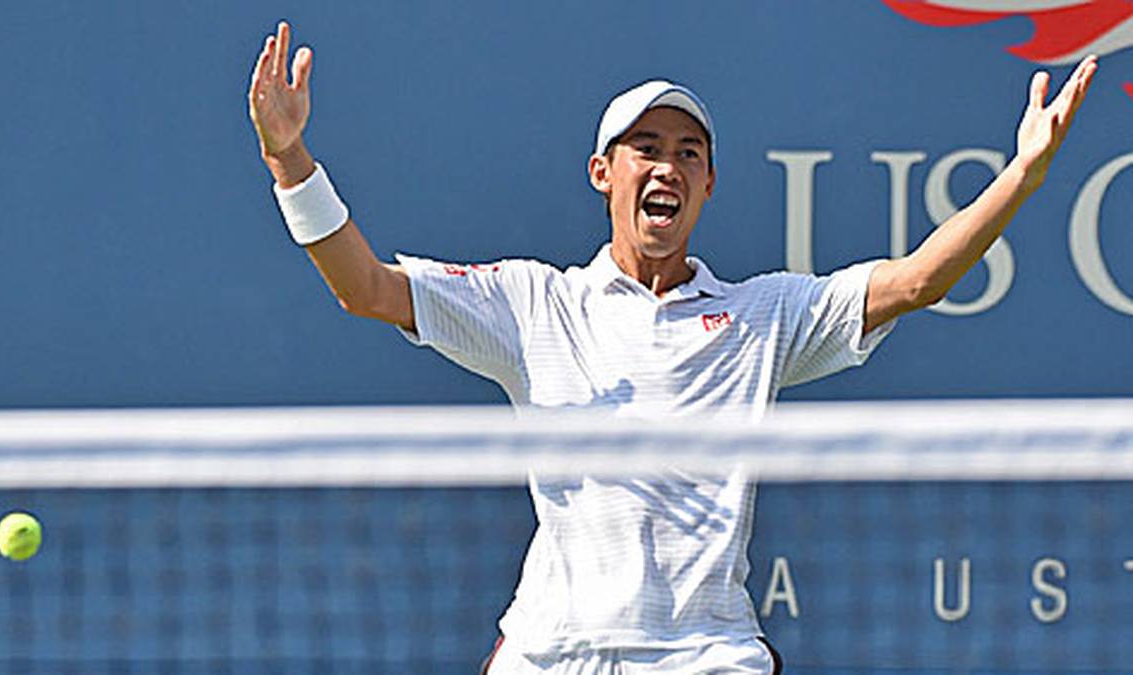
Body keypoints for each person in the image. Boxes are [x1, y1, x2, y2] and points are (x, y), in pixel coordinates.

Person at [247, 20, 1097, 675]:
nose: (668, 167)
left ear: (708, 184)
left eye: (688, 153)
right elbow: (365, 287)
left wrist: (1023, 173)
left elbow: (914, 282)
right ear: (602, 173)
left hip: (705, 653)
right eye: (646, 149)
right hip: (555, 651)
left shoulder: (763, 315)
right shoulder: (535, 302)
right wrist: (291, 160)